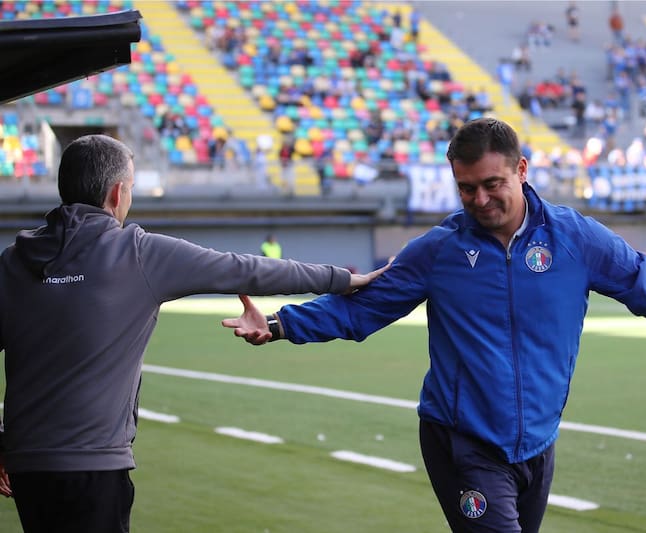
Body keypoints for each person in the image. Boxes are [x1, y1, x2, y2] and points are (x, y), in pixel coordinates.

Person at [222, 118, 646, 533]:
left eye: (491, 184)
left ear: (522, 170)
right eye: (466, 188)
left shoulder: (575, 240)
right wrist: (277, 323)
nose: (479, 200)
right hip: (465, 443)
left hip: (536, 445)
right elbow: (361, 310)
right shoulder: (438, 251)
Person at [0, 134, 387, 533]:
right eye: (131, 188)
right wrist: (341, 279)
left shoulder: (13, 261)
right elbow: (245, 268)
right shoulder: (137, 252)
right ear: (117, 193)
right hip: (94, 466)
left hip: (27, 466)